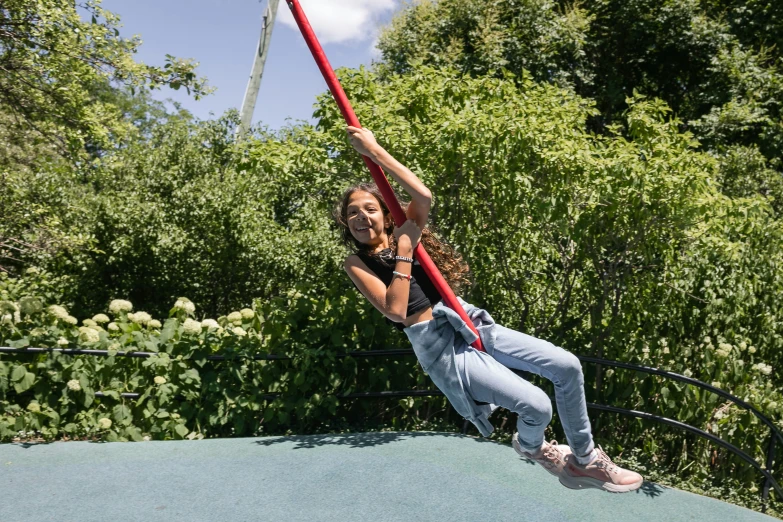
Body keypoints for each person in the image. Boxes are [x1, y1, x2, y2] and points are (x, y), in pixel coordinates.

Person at [336, 126, 644, 493]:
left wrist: (374, 149)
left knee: (567, 366)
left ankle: (585, 460)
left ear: (386, 215)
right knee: (538, 407)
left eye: (369, 208)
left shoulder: (407, 226)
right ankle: (533, 447)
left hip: (465, 318)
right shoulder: (357, 262)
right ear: (346, 223)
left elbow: (422, 194)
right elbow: (396, 311)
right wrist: (405, 249)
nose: (360, 217)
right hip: (439, 345)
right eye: (352, 213)